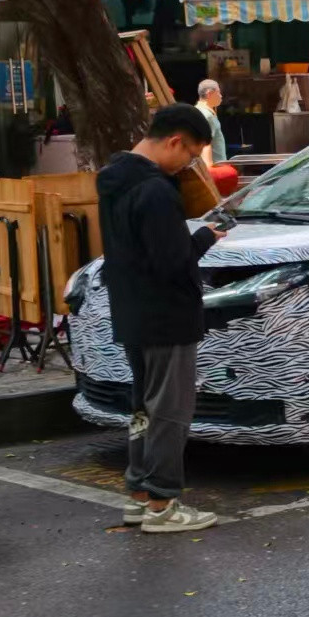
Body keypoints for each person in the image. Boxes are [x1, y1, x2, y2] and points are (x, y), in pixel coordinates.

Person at [97, 103, 225, 534]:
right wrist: (206, 236)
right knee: (170, 409)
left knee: (143, 406)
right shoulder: (156, 192)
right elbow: (173, 262)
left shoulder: (115, 180)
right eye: (189, 154)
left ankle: (138, 493)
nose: (190, 164)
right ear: (173, 141)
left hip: (131, 310)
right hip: (167, 313)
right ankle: (163, 503)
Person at [195, 79, 228, 166]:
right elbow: (205, 144)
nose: (221, 96)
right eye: (218, 93)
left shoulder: (198, 111)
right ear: (209, 94)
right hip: (215, 167)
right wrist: (210, 169)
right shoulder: (207, 115)